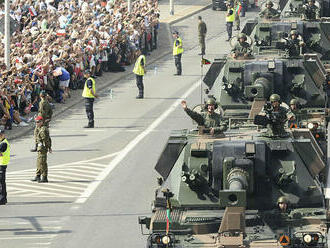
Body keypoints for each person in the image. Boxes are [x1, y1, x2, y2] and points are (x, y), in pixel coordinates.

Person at [31, 116, 52, 183]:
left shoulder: (43, 130)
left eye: (38, 122)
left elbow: (46, 140)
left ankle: (44, 177)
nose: (37, 123)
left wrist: (49, 147)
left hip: (43, 148)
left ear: (41, 122)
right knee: (39, 162)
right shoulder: (38, 128)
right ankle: (38, 176)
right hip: (40, 148)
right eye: (36, 122)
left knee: (42, 163)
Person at [0, 128, 10, 205]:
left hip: (2, 165)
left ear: (3, 135)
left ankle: (3, 199)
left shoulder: (4, 143)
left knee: (1, 182)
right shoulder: (1, 142)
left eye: (1, 134)